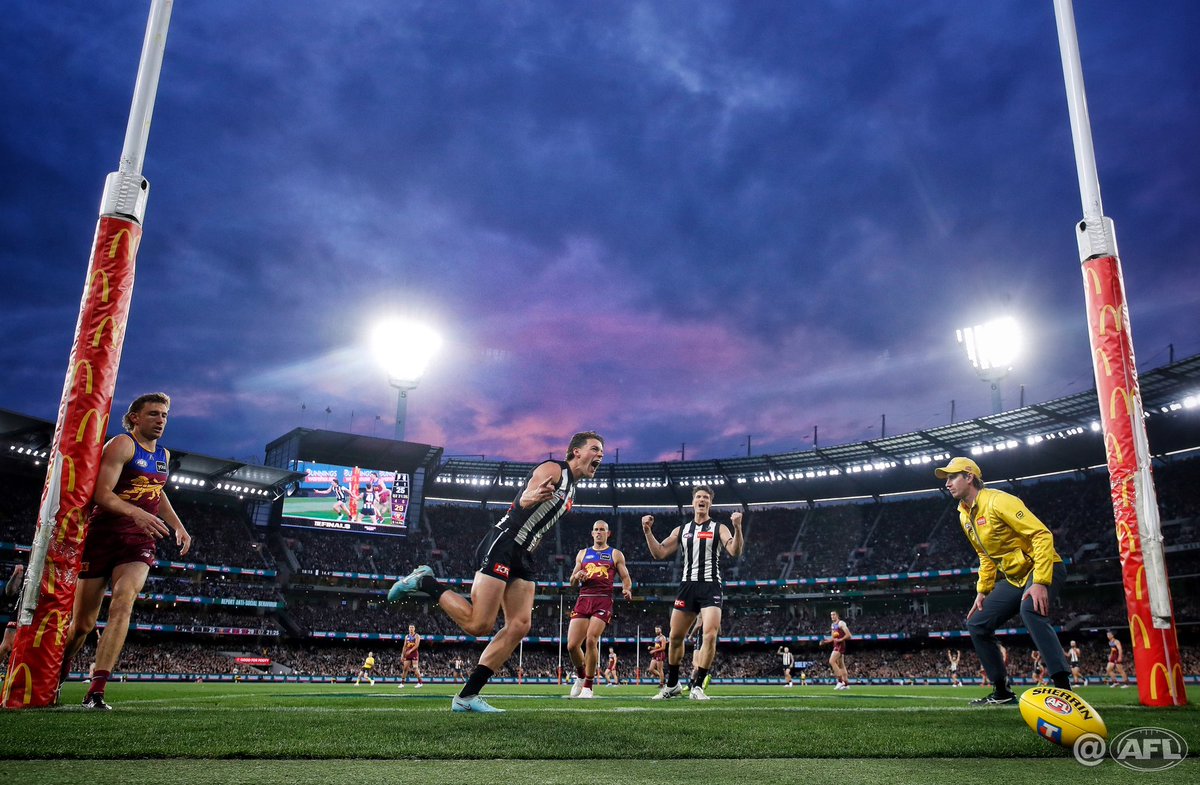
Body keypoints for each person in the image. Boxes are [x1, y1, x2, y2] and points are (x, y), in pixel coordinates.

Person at [388, 431, 605, 712]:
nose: (600, 455)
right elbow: (525, 498)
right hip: (504, 542)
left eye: (601, 451)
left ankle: (466, 697)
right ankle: (426, 580)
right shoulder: (554, 469)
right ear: (576, 451)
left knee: (520, 625)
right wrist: (530, 497)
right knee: (480, 625)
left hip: (524, 555)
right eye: (595, 449)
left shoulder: (573, 487)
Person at [59, 393, 192, 709]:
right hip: (103, 536)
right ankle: (57, 672)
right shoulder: (121, 445)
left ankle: (96, 690)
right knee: (82, 626)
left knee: (124, 600)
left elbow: (156, 494)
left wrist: (178, 525)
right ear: (135, 417)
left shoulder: (164, 455)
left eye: (164, 415)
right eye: (154, 414)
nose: (161, 420)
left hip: (139, 540)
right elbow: (102, 495)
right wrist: (136, 512)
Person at [935, 456, 1071, 706]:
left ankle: (1064, 690)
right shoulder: (964, 515)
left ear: (969, 477)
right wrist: (983, 590)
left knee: (1029, 609)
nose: (948, 483)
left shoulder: (999, 501)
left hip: (1044, 566)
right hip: (1016, 577)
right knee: (976, 622)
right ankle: (1002, 692)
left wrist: (1040, 581)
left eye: (953, 477)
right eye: (947, 478)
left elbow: (1041, 535)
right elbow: (985, 556)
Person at [642, 485, 745, 701]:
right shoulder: (682, 530)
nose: (702, 500)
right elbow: (659, 553)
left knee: (710, 633)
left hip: (710, 587)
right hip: (687, 586)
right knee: (675, 636)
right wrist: (648, 532)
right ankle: (672, 685)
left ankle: (698, 686)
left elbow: (734, 550)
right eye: (698, 497)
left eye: (706, 497)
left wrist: (737, 527)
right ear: (693, 502)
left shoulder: (719, 528)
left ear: (710, 503)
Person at [566, 519, 633, 699]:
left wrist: (627, 589)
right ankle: (580, 676)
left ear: (608, 533)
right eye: (596, 529)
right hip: (584, 599)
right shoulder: (582, 554)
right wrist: (577, 576)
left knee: (591, 639)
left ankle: (588, 686)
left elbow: (625, 577)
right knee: (572, 645)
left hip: (603, 600)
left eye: (602, 530)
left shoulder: (615, 554)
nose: (599, 532)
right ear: (592, 533)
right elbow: (572, 581)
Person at [0, 564, 25, 670]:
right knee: (6, 646)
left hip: (44, 611)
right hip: (22, 610)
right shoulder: (26, 571)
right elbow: (10, 592)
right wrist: (15, 574)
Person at [820, 610, 852, 689]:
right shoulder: (833, 625)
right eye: (831, 615)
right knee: (841, 665)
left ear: (837, 615)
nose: (832, 616)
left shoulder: (841, 623)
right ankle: (846, 684)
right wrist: (826, 641)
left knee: (831, 661)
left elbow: (849, 635)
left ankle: (840, 681)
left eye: (834, 614)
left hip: (840, 645)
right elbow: (833, 638)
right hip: (836, 644)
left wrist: (841, 639)